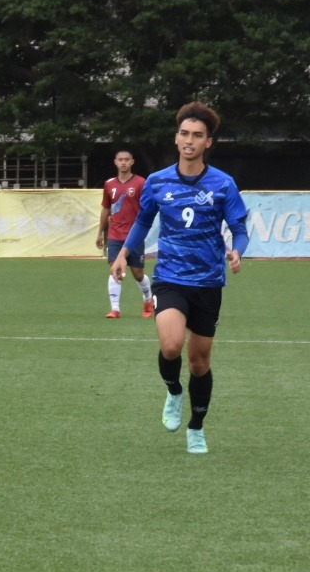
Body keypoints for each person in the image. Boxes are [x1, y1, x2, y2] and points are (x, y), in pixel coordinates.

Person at [111, 101, 249, 455]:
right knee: (171, 346)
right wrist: (124, 254)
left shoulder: (223, 184)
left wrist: (237, 251)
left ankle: (196, 427)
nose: (190, 140)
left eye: (197, 136)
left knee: (199, 361)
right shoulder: (157, 182)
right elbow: (143, 222)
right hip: (170, 277)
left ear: (208, 143)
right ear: (176, 138)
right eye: (184, 134)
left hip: (208, 281)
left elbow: (238, 228)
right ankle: (173, 390)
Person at [97, 150, 154, 319]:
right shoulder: (109, 184)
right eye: (120, 160)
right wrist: (100, 233)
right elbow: (106, 209)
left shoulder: (140, 183)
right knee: (115, 269)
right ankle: (115, 309)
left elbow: (147, 207)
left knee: (137, 273)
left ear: (132, 162)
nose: (123, 162)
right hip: (114, 235)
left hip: (134, 235)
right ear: (115, 162)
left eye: (126, 160)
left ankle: (148, 298)